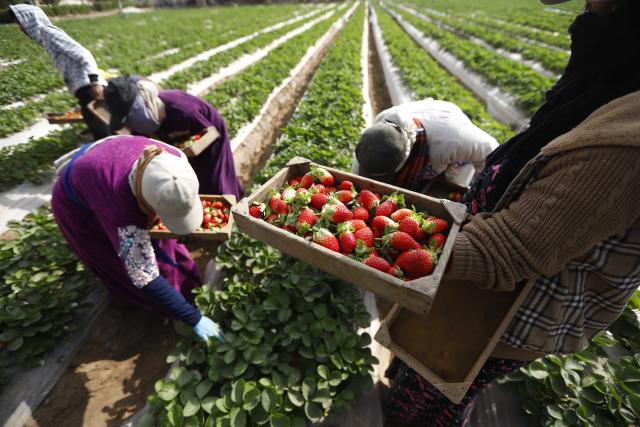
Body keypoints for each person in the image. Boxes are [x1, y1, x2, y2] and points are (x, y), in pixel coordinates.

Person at [383, 0, 640, 425]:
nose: (588, 10)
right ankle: (403, 379)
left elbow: (511, 249)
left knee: (436, 386)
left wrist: (389, 249)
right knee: (414, 348)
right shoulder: (606, 60)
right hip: (469, 260)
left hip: (505, 311)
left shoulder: (625, 146)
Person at [51, 135, 223, 341]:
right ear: (145, 201)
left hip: (104, 159)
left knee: (163, 247)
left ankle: (184, 288)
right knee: (112, 258)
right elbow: (144, 275)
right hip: (79, 206)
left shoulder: (174, 161)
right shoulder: (120, 210)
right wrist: (193, 319)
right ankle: (161, 306)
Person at [103, 76, 243, 200]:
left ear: (139, 106)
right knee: (189, 179)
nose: (129, 125)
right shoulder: (139, 122)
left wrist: (185, 150)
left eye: (128, 118)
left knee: (214, 179)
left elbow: (209, 133)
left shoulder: (182, 110)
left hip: (210, 136)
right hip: (179, 141)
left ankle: (232, 205)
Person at [9, 4, 111, 140]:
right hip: (84, 89)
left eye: (21, 24)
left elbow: (84, 54)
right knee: (97, 127)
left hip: (89, 87)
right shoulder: (45, 36)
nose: (21, 29)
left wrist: (95, 82)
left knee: (102, 131)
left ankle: (112, 154)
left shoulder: (48, 32)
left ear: (31, 20)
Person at [352, 99, 499, 191]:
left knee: (449, 189)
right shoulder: (377, 132)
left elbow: (492, 152)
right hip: (428, 123)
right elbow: (358, 180)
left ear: (406, 160)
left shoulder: (454, 141)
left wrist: (477, 191)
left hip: (446, 124)